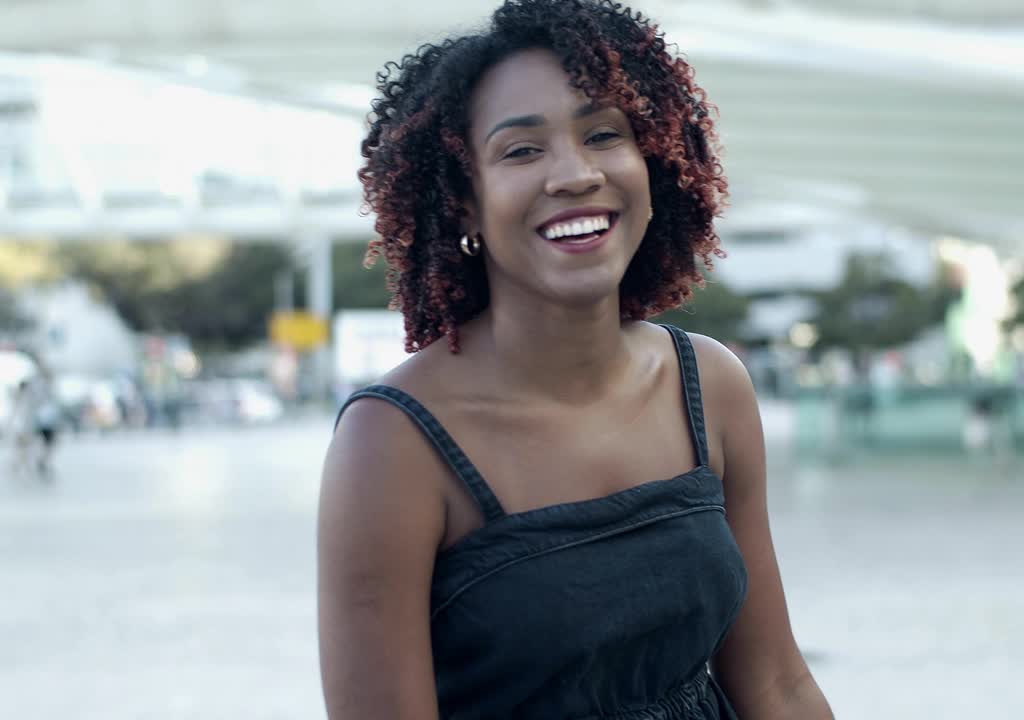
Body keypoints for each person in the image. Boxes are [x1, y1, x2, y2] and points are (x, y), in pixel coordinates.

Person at [318, 2, 834, 718]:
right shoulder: (394, 443)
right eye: (521, 150)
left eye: (603, 135)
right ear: (465, 203)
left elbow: (776, 683)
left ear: (652, 162)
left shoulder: (710, 385)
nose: (574, 174)